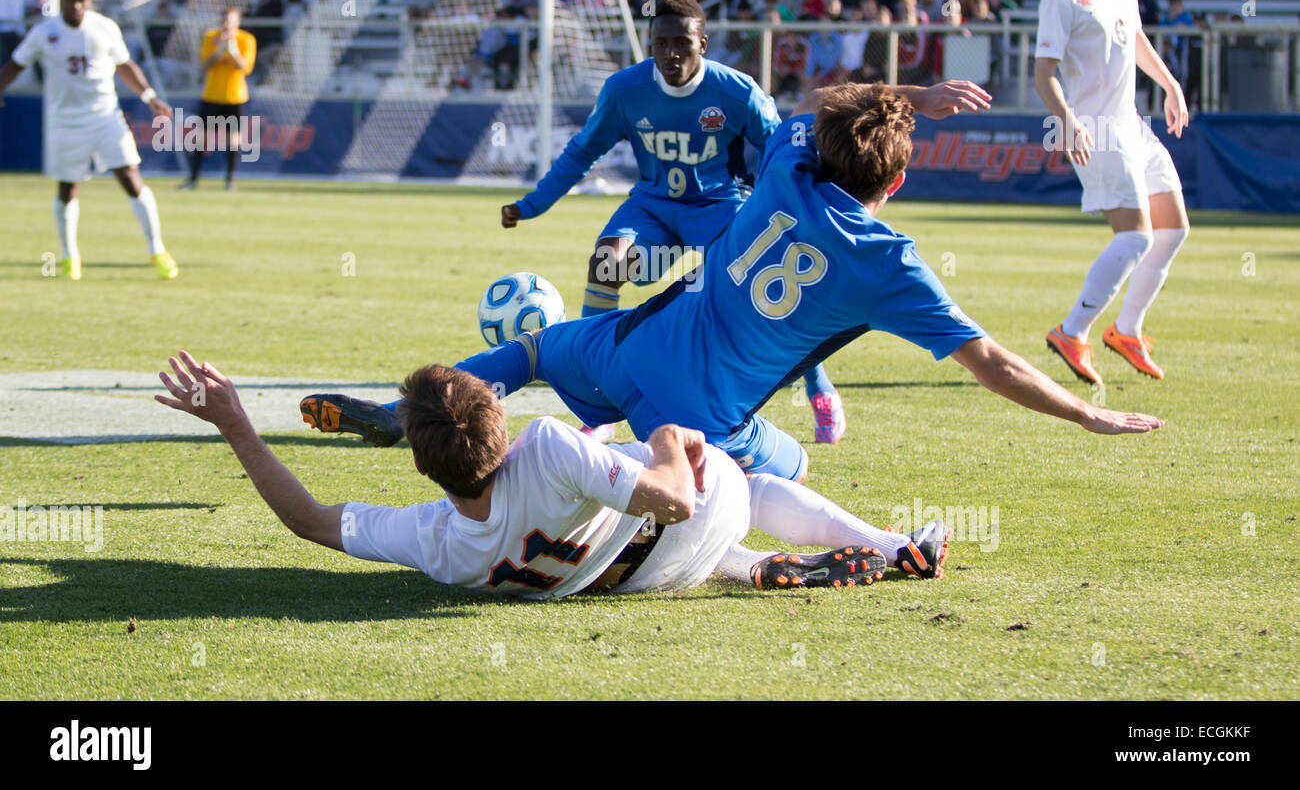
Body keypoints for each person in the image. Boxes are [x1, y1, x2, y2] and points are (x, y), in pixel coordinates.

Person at [302, 80, 1166, 487]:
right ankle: (582, 459)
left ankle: (416, 409)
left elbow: (830, 99)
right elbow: (993, 361)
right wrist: (1088, 412)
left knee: (528, 348)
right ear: (895, 185)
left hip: (628, 343)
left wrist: (909, 94)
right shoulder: (889, 261)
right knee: (790, 472)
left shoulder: (789, 160)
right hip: (697, 416)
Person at [161, 351, 954, 601]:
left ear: (423, 464)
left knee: (647, 518)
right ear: (499, 426)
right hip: (681, 527)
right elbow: (675, 500)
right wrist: (670, 440)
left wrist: (235, 423)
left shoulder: (436, 541)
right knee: (730, 465)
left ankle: (752, 569)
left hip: (634, 584)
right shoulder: (544, 446)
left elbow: (309, 519)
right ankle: (893, 547)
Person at [495, 0, 846, 445]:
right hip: (653, 209)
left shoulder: (736, 92)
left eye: (682, 42)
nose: (671, 53)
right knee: (607, 262)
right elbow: (584, 149)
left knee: (766, 289)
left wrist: (796, 208)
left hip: (721, 208)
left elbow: (781, 149)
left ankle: (819, 388)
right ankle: (599, 404)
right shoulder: (625, 91)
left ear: (703, 42)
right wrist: (533, 204)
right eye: (661, 43)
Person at [1034, 0, 1189, 385]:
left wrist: (1169, 84)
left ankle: (1127, 331)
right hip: (1096, 131)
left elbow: (1136, 37)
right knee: (1137, 236)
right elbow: (1043, 75)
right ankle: (1072, 330)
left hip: (1132, 124)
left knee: (1174, 229)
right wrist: (1070, 122)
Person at [0, 0, 177, 281]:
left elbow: (125, 65)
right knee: (68, 188)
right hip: (64, 122)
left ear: (90, 0)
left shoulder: (104, 27)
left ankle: (157, 249)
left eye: (82, 0)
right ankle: (70, 255)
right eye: (71, 0)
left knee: (130, 177)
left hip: (105, 115)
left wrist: (150, 97)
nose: (77, 6)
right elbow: (17, 63)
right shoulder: (46, 32)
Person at [181, 7, 256, 191]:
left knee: (233, 140)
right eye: (224, 20)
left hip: (235, 96)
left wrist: (233, 51)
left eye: (230, 21)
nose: (226, 25)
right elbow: (205, 64)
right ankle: (193, 179)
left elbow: (246, 68)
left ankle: (229, 181)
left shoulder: (246, 39)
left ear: (237, 22)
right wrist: (218, 51)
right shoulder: (210, 37)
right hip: (212, 95)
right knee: (201, 139)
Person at [0, 0, 24, 65]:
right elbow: (17, 14)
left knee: (4, 59)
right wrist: (21, 32)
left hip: (2, 29)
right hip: (12, 30)